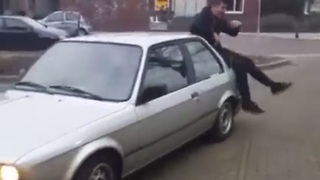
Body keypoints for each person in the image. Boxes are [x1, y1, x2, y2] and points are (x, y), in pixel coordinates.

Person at [190, 0, 292, 114]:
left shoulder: (218, 19)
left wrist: (236, 26)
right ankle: (247, 102)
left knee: (247, 62)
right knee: (239, 65)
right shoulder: (203, 16)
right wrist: (211, 33)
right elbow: (196, 26)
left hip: (217, 50)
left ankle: (272, 85)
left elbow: (231, 33)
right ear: (214, 6)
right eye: (223, 8)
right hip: (206, 54)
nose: (224, 11)